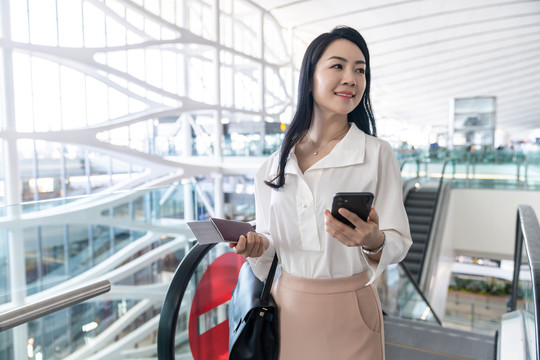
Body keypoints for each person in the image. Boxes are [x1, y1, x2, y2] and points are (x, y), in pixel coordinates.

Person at [230, 26, 412, 360]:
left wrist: (373, 240)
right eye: (338, 66)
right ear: (310, 78)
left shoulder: (376, 154)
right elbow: (271, 242)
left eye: (360, 70)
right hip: (289, 309)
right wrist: (257, 245)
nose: (352, 79)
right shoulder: (273, 166)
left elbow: (398, 240)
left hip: (352, 309)